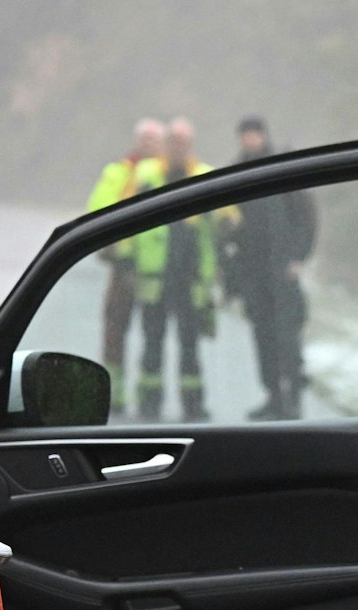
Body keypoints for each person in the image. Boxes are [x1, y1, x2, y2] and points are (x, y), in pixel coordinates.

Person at [226, 115, 318, 420]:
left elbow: (307, 218)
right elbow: (228, 226)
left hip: (282, 269)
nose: (250, 139)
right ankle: (273, 396)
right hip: (252, 272)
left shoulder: (283, 169)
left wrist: (298, 259)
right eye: (246, 134)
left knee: (287, 334)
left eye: (255, 134)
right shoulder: (235, 174)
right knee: (262, 336)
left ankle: (292, 395)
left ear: (264, 136)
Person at [131, 117, 218, 421]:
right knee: (152, 342)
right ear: (165, 144)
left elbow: (222, 220)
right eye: (174, 142)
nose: (178, 148)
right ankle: (149, 402)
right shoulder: (147, 174)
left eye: (184, 143)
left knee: (190, 345)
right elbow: (127, 218)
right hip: (156, 275)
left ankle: (193, 405)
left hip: (191, 278)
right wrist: (127, 258)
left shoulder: (205, 176)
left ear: (190, 145)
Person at [85, 118, 165, 409]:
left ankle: (150, 394)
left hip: (158, 270)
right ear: (136, 141)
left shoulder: (168, 174)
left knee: (154, 330)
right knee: (115, 329)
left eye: (154, 140)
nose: (148, 145)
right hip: (122, 267)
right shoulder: (118, 172)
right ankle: (113, 393)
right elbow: (97, 210)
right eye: (144, 139)